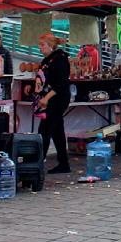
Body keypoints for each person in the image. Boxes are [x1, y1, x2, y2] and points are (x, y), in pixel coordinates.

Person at [36, 33, 71, 173]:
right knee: (57, 131)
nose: (40, 47)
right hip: (51, 98)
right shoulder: (47, 60)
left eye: (42, 45)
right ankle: (64, 163)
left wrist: (46, 98)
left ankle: (38, 163)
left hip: (57, 99)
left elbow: (61, 83)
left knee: (44, 130)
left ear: (50, 46)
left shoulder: (60, 59)